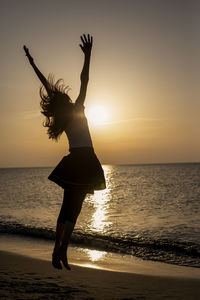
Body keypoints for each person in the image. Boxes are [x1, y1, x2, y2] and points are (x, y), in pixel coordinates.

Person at [23, 34, 106, 270]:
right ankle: (60, 251)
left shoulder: (65, 114)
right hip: (86, 159)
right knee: (74, 208)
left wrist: (32, 63)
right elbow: (84, 80)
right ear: (66, 100)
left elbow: (48, 87)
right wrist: (88, 56)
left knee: (69, 207)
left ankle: (59, 251)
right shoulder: (76, 108)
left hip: (77, 160)